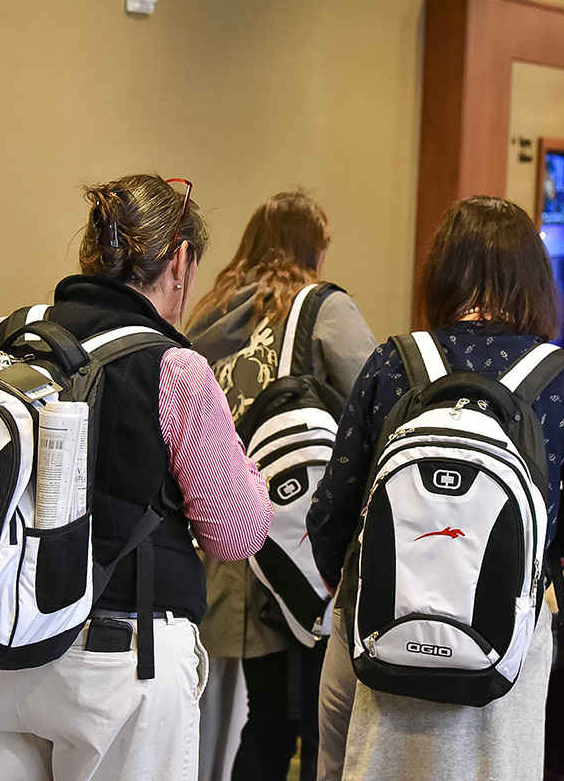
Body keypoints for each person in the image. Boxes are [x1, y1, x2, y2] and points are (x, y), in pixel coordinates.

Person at [0, 174, 274, 781]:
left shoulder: (5, 335)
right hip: (113, 664)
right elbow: (236, 532)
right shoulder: (176, 368)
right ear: (179, 263)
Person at [306, 195, 564, 780]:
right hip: (507, 642)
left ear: (442, 273)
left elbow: (331, 514)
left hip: (379, 633)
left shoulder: (392, 364)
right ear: (535, 282)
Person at [187, 191, 376, 781]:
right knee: (321, 724)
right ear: (312, 250)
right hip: (303, 545)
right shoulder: (323, 310)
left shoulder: (208, 318)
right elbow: (380, 406)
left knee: (267, 718)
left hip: (226, 546)